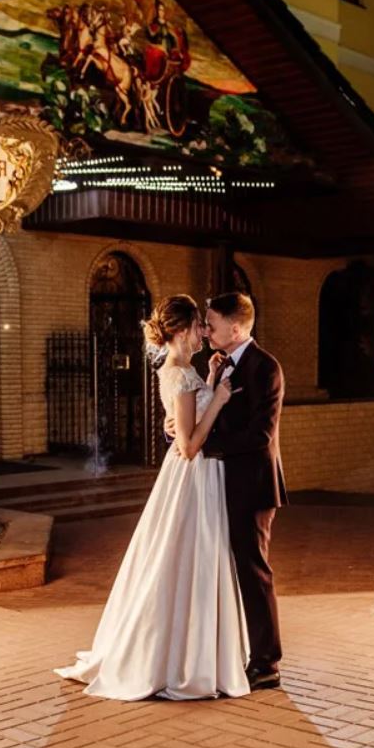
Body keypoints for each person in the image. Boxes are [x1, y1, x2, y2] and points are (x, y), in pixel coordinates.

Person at [54, 294, 249, 699]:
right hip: (193, 475)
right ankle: (179, 658)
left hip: (196, 477)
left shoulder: (183, 371)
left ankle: (185, 652)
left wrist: (211, 381)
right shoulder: (179, 374)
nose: (203, 332)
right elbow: (189, 446)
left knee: (185, 558)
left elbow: (184, 421)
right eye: (198, 325)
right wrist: (219, 400)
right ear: (181, 330)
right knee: (187, 558)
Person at [201, 292, 287, 691]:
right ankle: (241, 650)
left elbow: (260, 435)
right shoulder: (222, 364)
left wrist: (205, 445)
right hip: (225, 482)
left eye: (211, 324)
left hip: (252, 486)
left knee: (254, 572)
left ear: (235, 328)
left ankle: (267, 663)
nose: (206, 331)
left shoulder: (264, 367)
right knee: (233, 570)